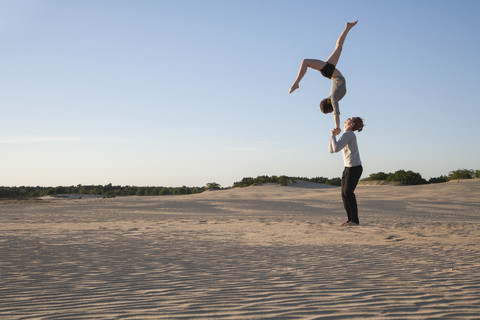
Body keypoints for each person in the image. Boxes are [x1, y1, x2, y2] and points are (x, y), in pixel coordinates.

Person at [289, 20, 358, 130]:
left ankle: (296, 83)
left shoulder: (334, 98)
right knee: (339, 47)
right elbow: (335, 111)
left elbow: (336, 114)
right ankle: (347, 27)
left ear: (330, 109)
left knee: (305, 61)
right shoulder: (334, 97)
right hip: (331, 73)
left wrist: (337, 126)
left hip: (330, 72)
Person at [329, 117, 364, 226]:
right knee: (344, 194)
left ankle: (354, 220)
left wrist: (334, 136)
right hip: (348, 168)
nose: (347, 118)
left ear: (352, 124)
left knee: (348, 193)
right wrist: (333, 136)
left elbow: (335, 149)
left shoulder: (349, 134)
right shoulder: (346, 135)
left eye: (350, 118)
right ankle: (350, 220)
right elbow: (332, 150)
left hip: (354, 168)